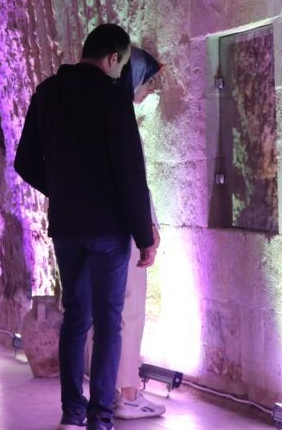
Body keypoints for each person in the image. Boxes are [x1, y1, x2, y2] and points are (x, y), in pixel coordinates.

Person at [14, 24, 157, 430]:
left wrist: (62, 189)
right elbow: (130, 173)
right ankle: (101, 417)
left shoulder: (47, 93)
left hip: (67, 225)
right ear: (112, 58)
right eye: (122, 64)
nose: (120, 71)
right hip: (109, 228)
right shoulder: (113, 97)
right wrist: (144, 236)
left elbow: (25, 162)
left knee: (76, 317)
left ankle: (72, 414)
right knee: (109, 321)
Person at [112, 46, 167, 420]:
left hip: (107, 230)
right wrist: (148, 229)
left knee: (113, 313)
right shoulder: (123, 123)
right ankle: (128, 394)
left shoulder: (104, 118)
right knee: (130, 312)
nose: (150, 89)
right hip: (127, 230)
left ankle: (116, 390)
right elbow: (135, 185)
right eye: (147, 81)